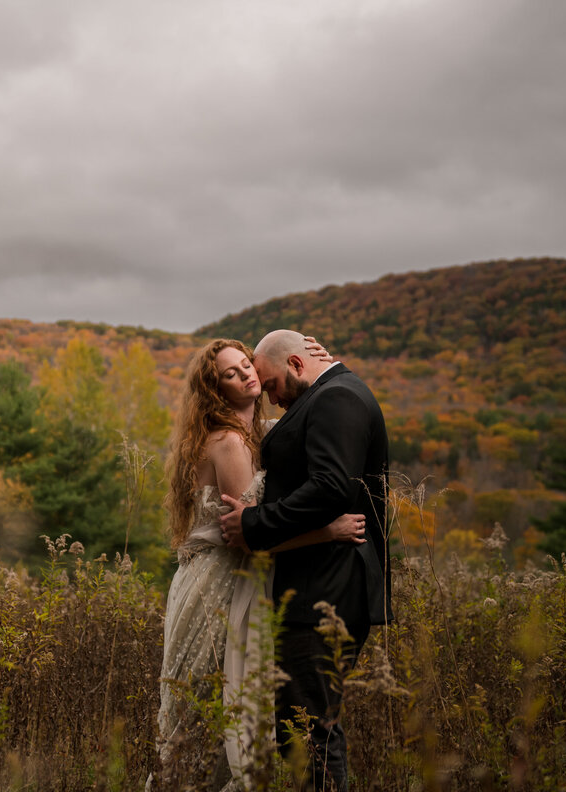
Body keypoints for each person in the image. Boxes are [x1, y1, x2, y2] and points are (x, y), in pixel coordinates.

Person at [156, 337, 367, 791]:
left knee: (229, 709)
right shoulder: (230, 442)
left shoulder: (260, 430)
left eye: (246, 365)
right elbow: (247, 538)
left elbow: (304, 396)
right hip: (222, 583)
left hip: (233, 580)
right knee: (214, 713)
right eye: (230, 374)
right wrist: (327, 531)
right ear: (215, 391)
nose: (246, 375)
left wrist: (323, 363)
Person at [220, 329, 391, 792]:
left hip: (326, 592)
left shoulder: (337, 399)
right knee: (304, 727)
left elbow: (332, 487)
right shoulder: (328, 393)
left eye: (271, 383)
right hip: (318, 587)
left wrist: (254, 523)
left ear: (297, 365)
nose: (271, 398)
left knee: (308, 733)